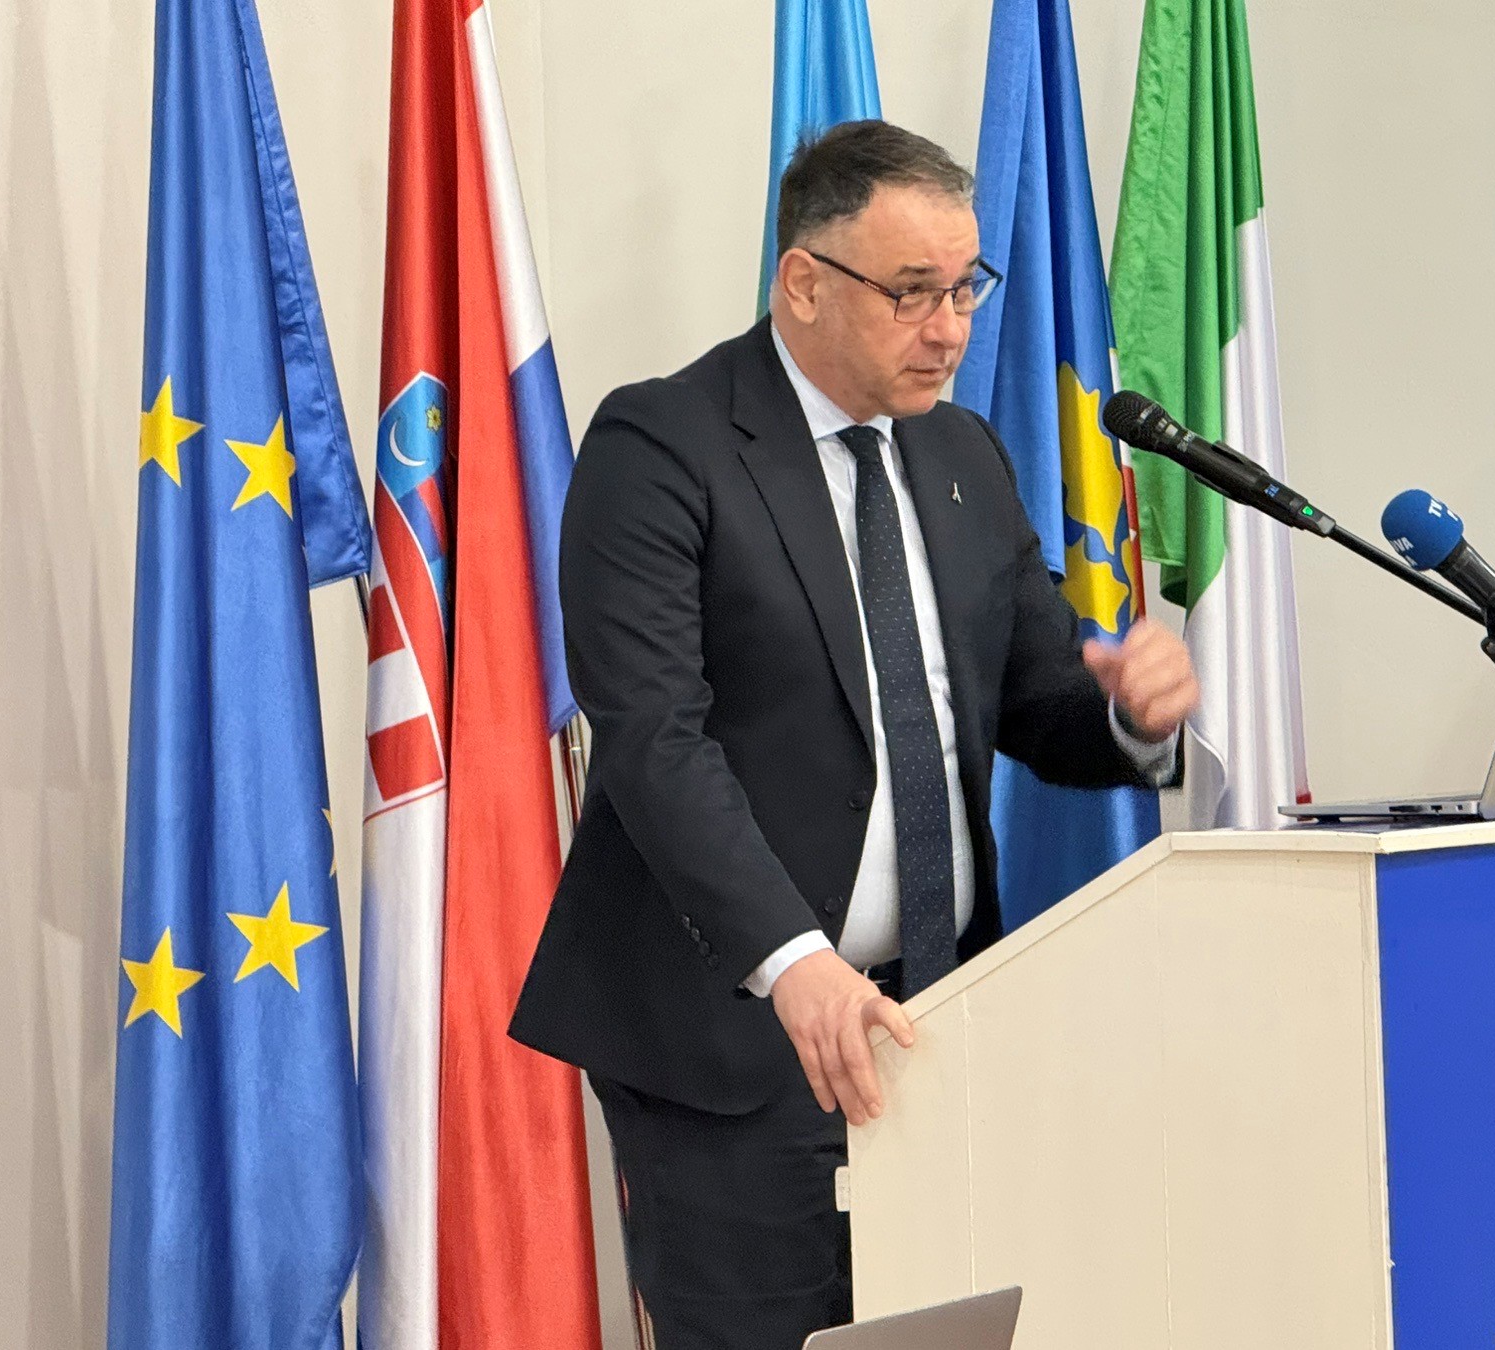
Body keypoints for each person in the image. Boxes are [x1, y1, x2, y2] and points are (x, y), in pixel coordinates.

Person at [508, 120, 1200, 1350]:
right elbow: (655, 741)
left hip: (939, 1021)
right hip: (741, 1043)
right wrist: (795, 961)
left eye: (966, 288)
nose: (950, 329)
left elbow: (1036, 696)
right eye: (912, 291)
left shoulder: (962, 452)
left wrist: (1130, 715)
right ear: (804, 281)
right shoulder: (662, 446)